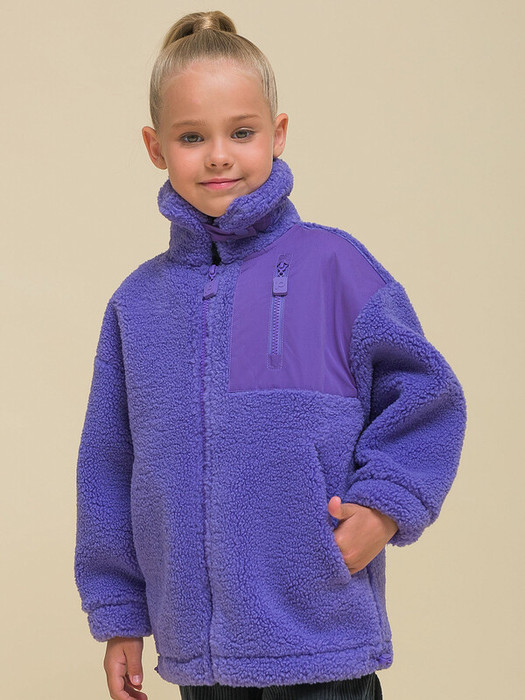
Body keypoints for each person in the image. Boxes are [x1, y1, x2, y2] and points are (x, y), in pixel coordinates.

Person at [74, 10, 467, 700]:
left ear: (277, 134)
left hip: (320, 636)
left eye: (241, 132)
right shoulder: (136, 305)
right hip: (200, 654)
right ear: (155, 147)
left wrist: (385, 506)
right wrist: (120, 616)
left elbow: (426, 397)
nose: (218, 156)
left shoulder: (335, 267)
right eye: (191, 136)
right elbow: (108, 469)